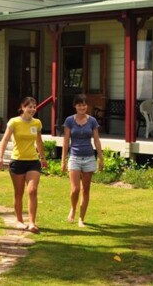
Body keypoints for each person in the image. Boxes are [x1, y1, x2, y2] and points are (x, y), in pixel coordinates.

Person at [0, 96, 47, 233]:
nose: (32, 109)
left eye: (34, 106)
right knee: (19, 193)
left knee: (32, 190)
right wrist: (0, 158)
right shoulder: (14, 122)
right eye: (29, 106)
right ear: (23, 107)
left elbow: (39, 142)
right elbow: (5, 140)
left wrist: (42, 158)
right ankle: (19, 221)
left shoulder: (37, 123)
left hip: (33, 161)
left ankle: (32, 223)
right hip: (17, 161)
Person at [61, 94, 104, 227]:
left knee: (85, 189)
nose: (82, 107)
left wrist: (101, 158)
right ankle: (73, 208)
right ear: (75, 106)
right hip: (74, 157)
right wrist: (63, 160)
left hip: (89, 158)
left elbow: (96, 140)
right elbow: (66, 141)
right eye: (79, 105)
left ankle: (81, 218)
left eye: (84, 105)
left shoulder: (92, 121)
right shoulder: (69, 121)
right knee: (75, 190)